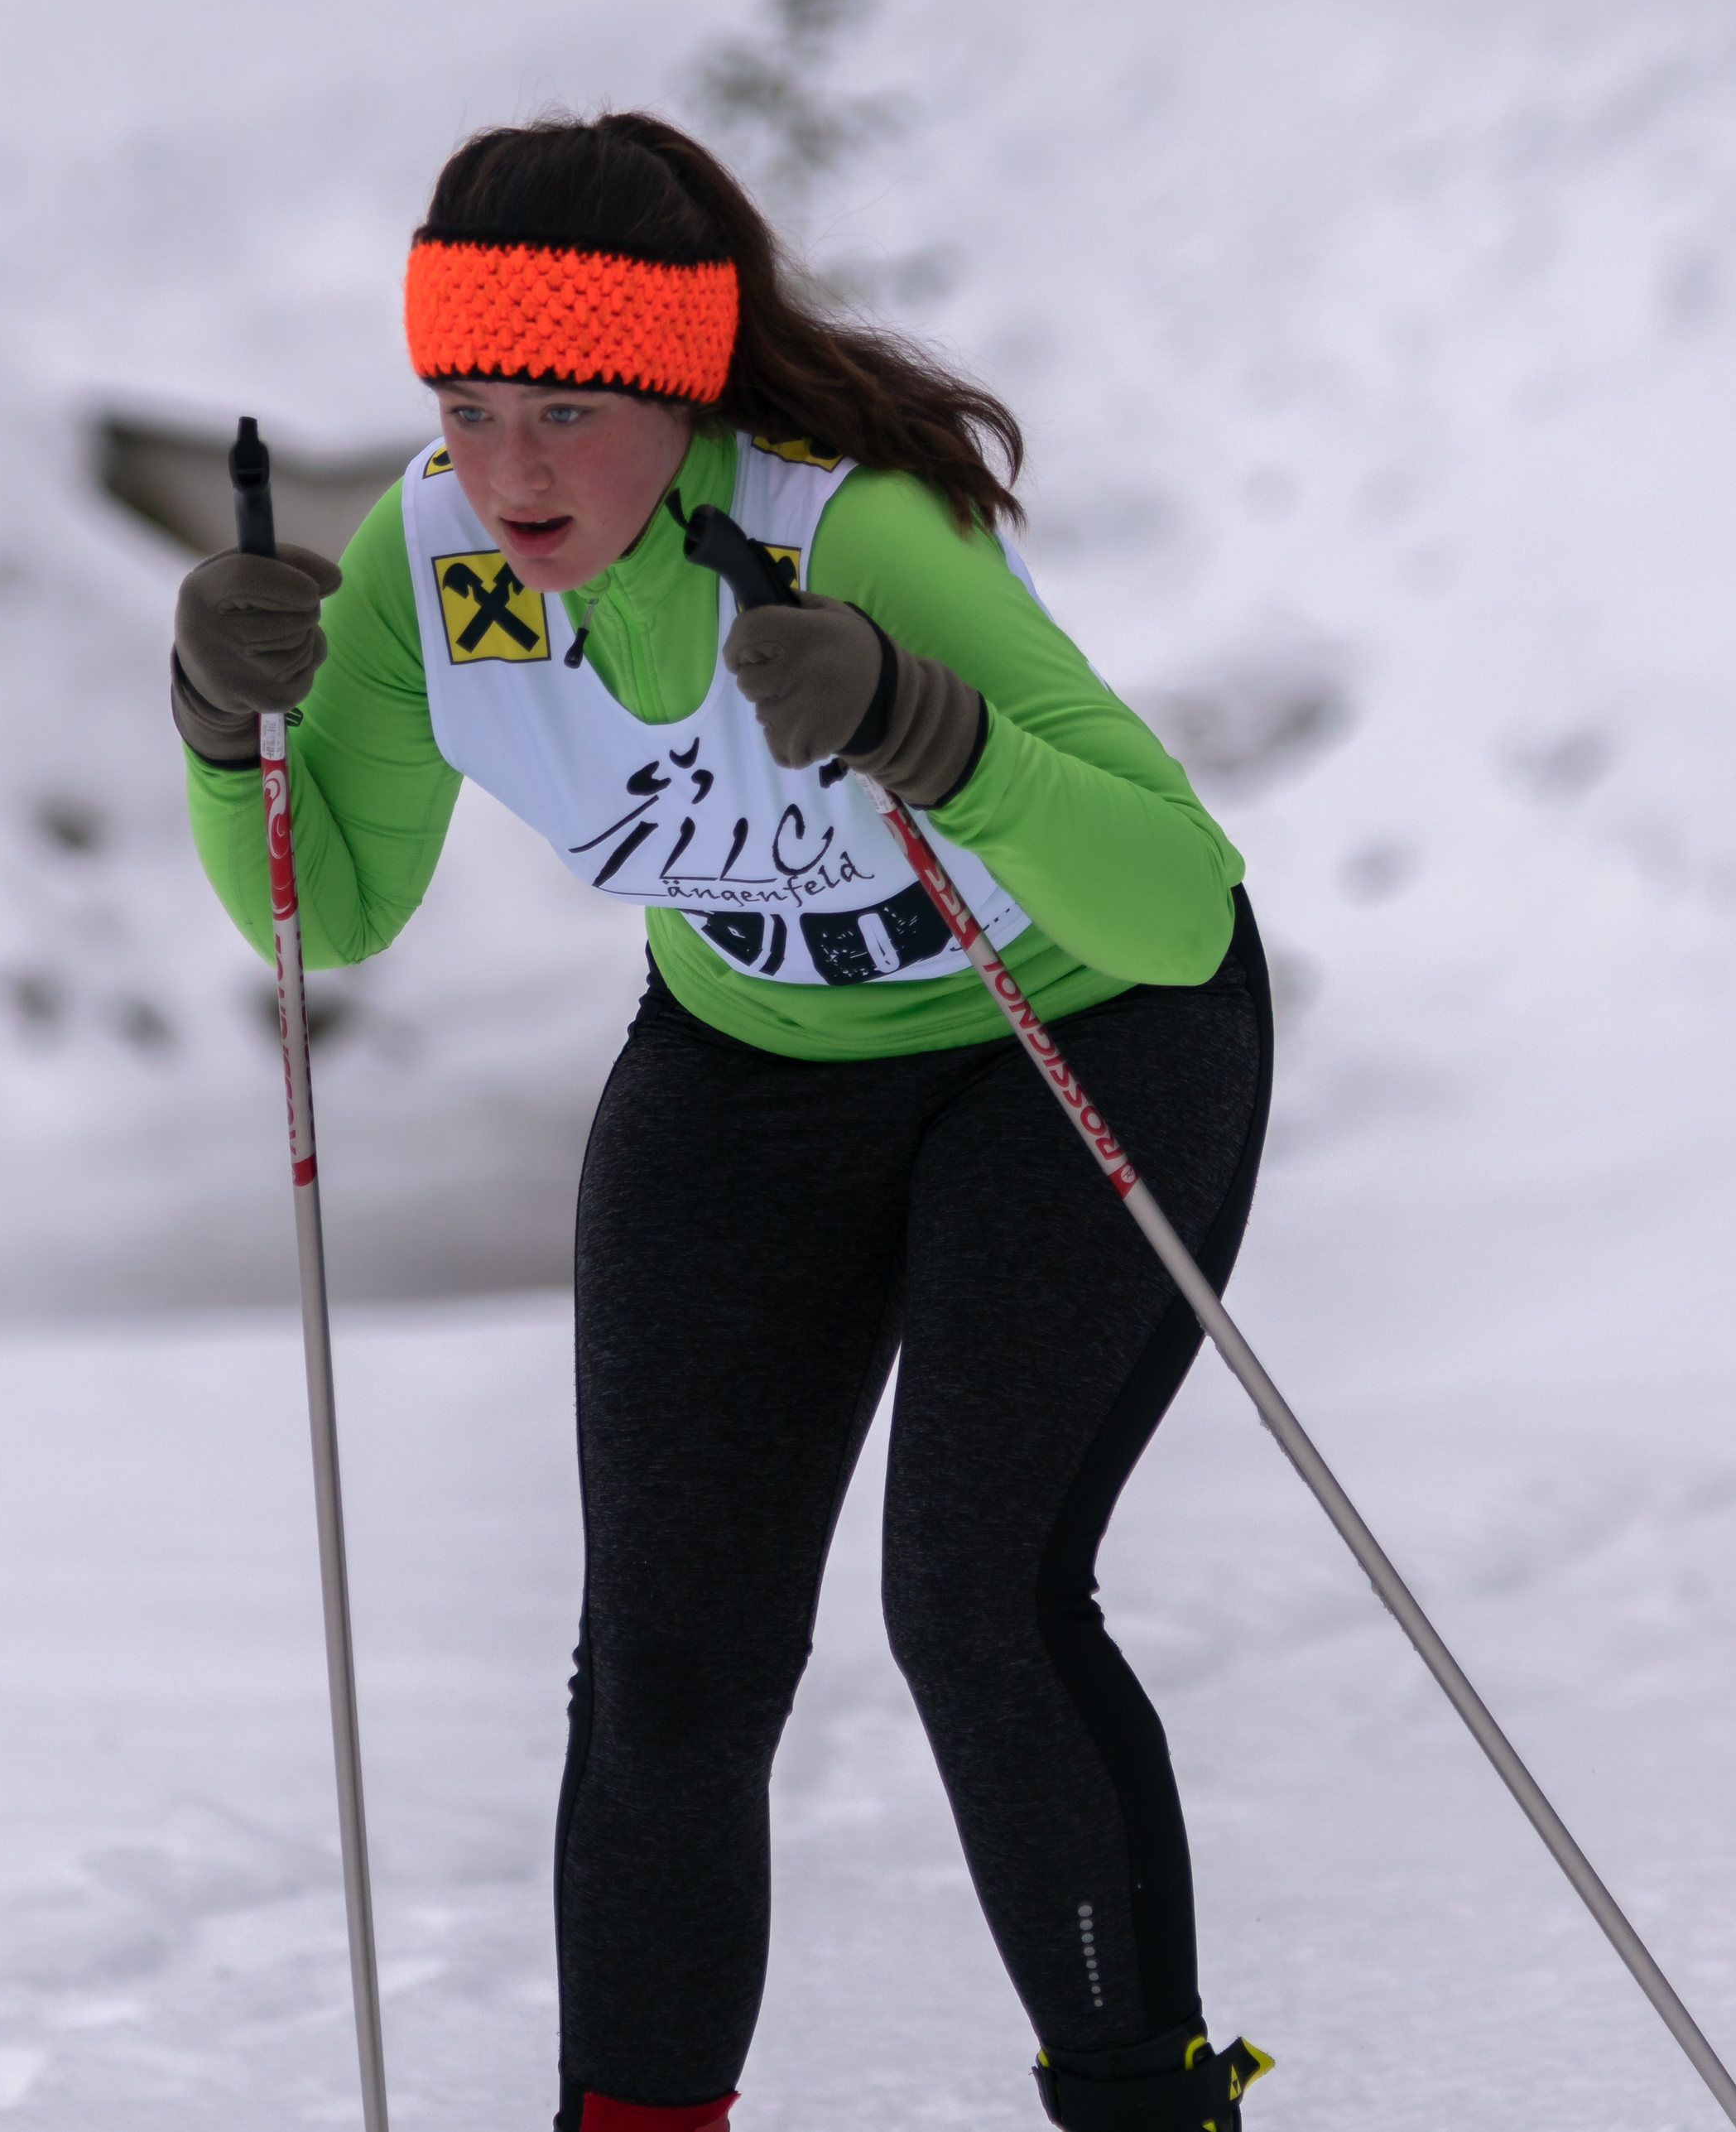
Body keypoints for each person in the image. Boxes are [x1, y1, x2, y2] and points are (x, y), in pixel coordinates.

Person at [167, 109, 1276, 2132]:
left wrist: (928, 726)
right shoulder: (433, 563)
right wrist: (221, 727)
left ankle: (1147, 2107)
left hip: (1077, 1034)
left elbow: (1174, 903)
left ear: (677, 390)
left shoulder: (854, 533)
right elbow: (330, 903)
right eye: (467, 406)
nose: (509, 471)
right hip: (750, 1061)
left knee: (975, 1606)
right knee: (670, 1668)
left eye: (566, 413)